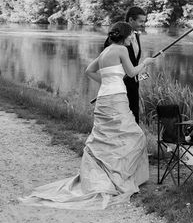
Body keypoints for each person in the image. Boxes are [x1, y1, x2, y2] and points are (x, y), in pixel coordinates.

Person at [21, 22, 157, 209]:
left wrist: (108, 81)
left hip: (103, 99)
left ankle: (111, 175)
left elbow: (89, 71)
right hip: (116, 99)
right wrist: (146, 63)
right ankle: (119, 178)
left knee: (106, 139)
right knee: (135, 136)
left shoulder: (106, 51)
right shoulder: (121, 50)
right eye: (131, 35)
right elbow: (132, 72)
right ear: (125, 36)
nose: (133, 37)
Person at [104, 6, 147, 123]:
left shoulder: (136, 35)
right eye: (141, 21)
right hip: (119, 86)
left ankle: (133, 140)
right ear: (131, 20)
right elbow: (107, 60)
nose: (143, 24)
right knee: (120, 118)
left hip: (133, 84)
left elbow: (134, 61)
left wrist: (139, 71)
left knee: (133, 116)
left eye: (144, 21)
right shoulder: (116, 37)